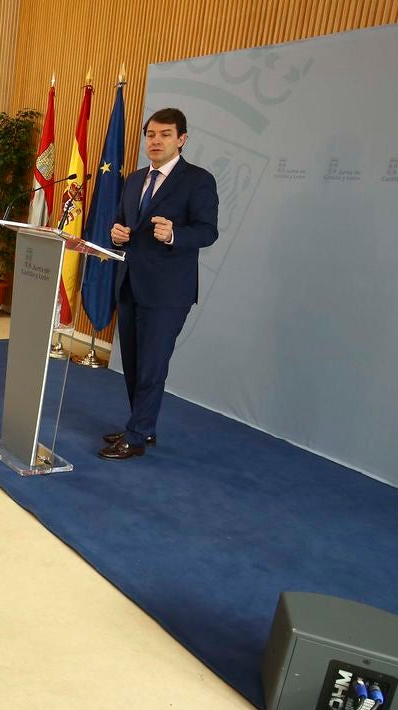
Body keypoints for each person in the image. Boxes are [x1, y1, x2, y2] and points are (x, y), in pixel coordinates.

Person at [101, 108, 219, 460]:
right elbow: (123, 223)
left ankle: (136, 437)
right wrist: (116, 234)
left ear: (182, 139)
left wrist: (174, 234)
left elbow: (208, 230)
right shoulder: (135, 179)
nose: (156, 140)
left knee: (153, 364)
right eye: (150, 134)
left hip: (168, 291)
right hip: (130, 284)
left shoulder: (198, 180)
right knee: (134, 364)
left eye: (165, 134)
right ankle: (142, 425)